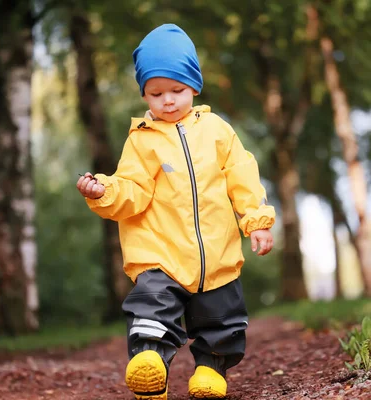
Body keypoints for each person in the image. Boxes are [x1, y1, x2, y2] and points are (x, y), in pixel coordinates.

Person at [76, 23, 275, 400]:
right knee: (151, 311)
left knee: (223, 323)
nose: (167, 100)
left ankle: (210, 372)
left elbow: (242, 177)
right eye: (156, 93)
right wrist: (103, 190)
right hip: (160, 253)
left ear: (194, 86)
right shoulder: (142, 140)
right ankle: (150, 367)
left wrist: (256, 221)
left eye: (177, 90)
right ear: (145, 95)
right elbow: (131, 189)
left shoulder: (218, 131)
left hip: (216, 255)